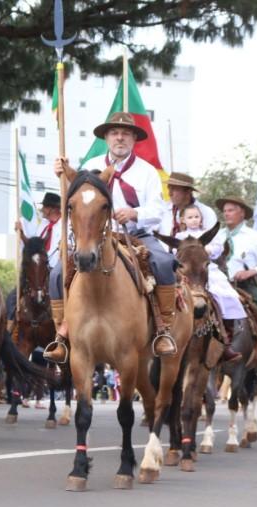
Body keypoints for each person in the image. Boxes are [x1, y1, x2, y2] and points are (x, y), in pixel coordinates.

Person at [45, 112, 179, 362]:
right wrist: (62, 176)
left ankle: (163, 329)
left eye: (126, 134)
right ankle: (62, 334)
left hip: (135, 234)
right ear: (106, 138)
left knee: (163, 263)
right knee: (57, 273)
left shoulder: (147, 172)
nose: (120, 138)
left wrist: (135, 213)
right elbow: (75, 202)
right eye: (114, 133)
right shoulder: (90, 165)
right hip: (95, 236)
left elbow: (158, 210)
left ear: (134, 139)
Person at [175, 204, 242, 362]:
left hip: (206, 271)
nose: (194, 220)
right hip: (185, 273)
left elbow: (217, 249)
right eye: (190, 217)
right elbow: (172, 252)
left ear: (201, 219)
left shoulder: (206, 235)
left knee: (227, 296)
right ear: (183, 220)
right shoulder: (179, 237)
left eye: (196, 217)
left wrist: (208, 250)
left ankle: (225, 340)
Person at [215, 196, 257, 367]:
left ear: (241, 213)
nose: (226, 214)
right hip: (220, 284)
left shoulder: (253, 236)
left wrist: (250, 272)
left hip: (244, 284)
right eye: (225, 211)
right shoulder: (218, 235)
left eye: (231, 210)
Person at [12, 191, 63, 331]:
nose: (42, 210)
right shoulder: (44, 225)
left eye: (45, 207)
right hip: (39, 268)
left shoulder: (66, 224)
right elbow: (32, 245)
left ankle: (62, 322)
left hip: (57, 267)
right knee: (16, 292)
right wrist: (21, 233)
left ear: (52, 209)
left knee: (59, 284)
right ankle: (10, 325)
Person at [160, 172, 218, 238]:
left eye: (174, 189)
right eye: (169, 188)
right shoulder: (163, 210)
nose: (170, 194)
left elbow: (214, 242)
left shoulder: (206, 212)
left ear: (188, 192)